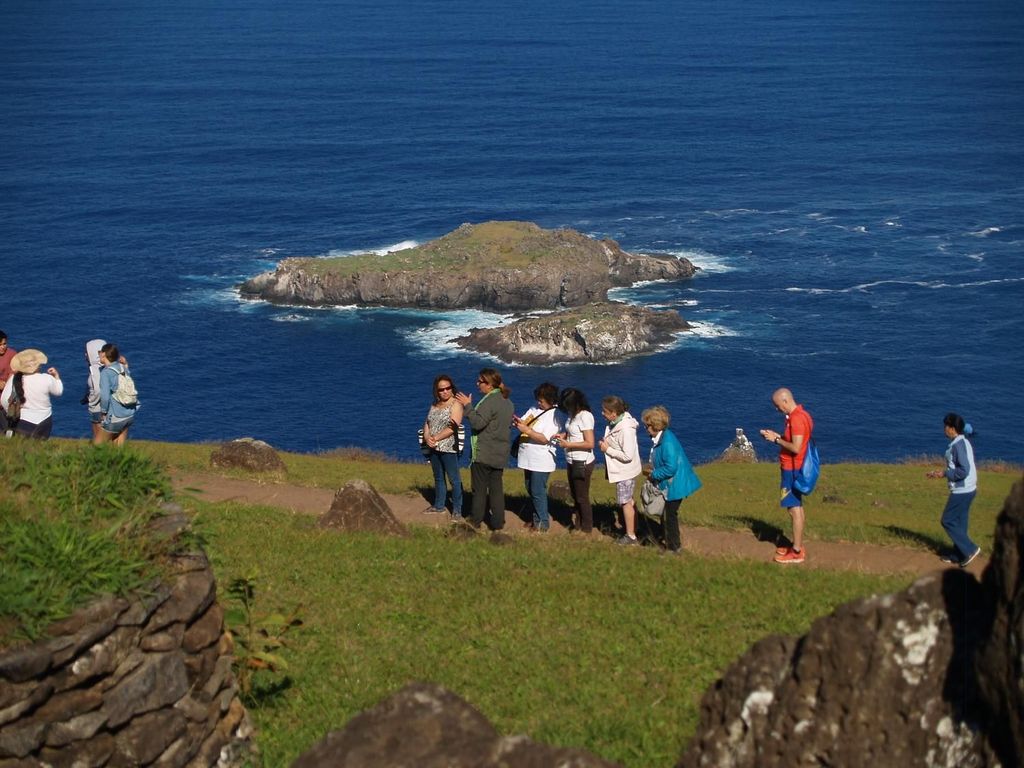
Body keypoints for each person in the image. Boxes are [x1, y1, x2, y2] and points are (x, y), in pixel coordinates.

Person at [455, 368, 514, 531]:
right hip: (500, 453)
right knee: (496, 489)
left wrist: (468, 406)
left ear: (488, 384)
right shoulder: (507, 402)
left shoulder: (489, 401)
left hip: (484, 452)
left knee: (479, 489)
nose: (477, 384)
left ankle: (475, 520)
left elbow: (477, 423)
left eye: (480, 381)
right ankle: (498, 522)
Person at [759, 387, 813, 564]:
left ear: (785, 401)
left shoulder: (796, 419)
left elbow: (796, 448)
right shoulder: (803, 415)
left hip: (792, 469)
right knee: (797, 507)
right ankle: (797, 545)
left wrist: (775, 440)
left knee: (793, 510)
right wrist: (779, 436)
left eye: (777, 405)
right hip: (796, 467)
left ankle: (796, 551)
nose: (777, 409)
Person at [641, 406, 702, 555]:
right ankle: (672, 545)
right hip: (673, 483)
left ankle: (674, 548)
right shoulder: (663, 437)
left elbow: (670, 468)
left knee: (669, 517)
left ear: (654, 425)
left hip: (675, 485)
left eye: (647, 425)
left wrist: (654, 474)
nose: (645, 428)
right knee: (667, 515)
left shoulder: (666, 442)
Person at [927, 413, 981, 567]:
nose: (944, 429)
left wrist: (945, 473)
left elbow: (964, 470)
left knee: (948, 520)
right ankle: (959, 555)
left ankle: (970, 549)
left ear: (952, 429)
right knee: (960, 523)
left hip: (962, 490)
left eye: (946, 426)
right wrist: (941, 473)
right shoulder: (963, 441)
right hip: (969, 488)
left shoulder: (957, 446)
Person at [513, 382, 563, 532]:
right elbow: (525, 421)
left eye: (541, 401)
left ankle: (542, 523)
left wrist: (526, 430)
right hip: (527, 456)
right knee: (530, 487)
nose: (538, 403)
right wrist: (519, 423)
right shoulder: (535, 409)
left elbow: (545, 438)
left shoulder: (556, 415)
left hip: (541, 459)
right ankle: (536, 519)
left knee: (537, 490)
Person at [598, 395, 642, 545]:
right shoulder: (620, 423)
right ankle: (634, 529)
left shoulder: (625, 429)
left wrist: (607, 449)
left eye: (605, 411)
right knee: (629, 500)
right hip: (625, 470)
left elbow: (627, 455)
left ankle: (630, 536)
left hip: (625, 471)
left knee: (625, 502)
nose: (602, 414)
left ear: (614, 413)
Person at [422, 374, 464, 517]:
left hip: (448, 448)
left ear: (452, 388)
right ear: (437, 391)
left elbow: (453, 427)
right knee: (438, 477)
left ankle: (457, 510)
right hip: (433, 447)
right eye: (441, 389)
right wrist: (427, 437)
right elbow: (427, 422)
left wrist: (435, 438)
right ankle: (439, 505)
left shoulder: (456, 404)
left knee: (454, 479)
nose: (445, 391)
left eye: (447, 388)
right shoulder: (434, 405)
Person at [555, 387, 597, 533]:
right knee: (575, 495)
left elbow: (590, 443)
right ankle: (578, 524)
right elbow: (572, 431)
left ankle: (586, 528)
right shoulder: (573, 414)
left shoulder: (585, 416)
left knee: (581, 497)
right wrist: (563, 435)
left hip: (582, 461)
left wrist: (568, 444)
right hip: (571, 459)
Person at [1, 349, 63, 439]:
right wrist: (56, 377)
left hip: (23, 421)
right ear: (37, 364)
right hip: (45, 421)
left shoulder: (14, 379)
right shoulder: (46, 378)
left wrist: (12, 412)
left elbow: (4, 401)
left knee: (23, 449)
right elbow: (58, 391)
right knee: (40, 449)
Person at [95, 344, 137, 446]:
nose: (99, 355)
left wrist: (103, 413)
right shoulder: (122, 367)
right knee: (118, 451)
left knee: (97, 447)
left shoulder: (106, 373)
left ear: (104, 354)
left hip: (115, 417)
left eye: (100, 352)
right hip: (129, 415)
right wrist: (126, 365)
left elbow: (105, 397)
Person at [83, 339, 107, 441]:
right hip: (111, 409)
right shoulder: (108, 366)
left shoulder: (96, 369)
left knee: (99, 438)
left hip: (98, 409)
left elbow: (97, 390)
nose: (85, 355)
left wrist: (92, 402)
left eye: (87, 352)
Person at [0, 331, 16, 432]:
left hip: (7, 395)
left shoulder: (12, 354)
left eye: (4, 344)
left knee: (8, 428)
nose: (2, 347)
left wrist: (8, 383)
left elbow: (15, 371)